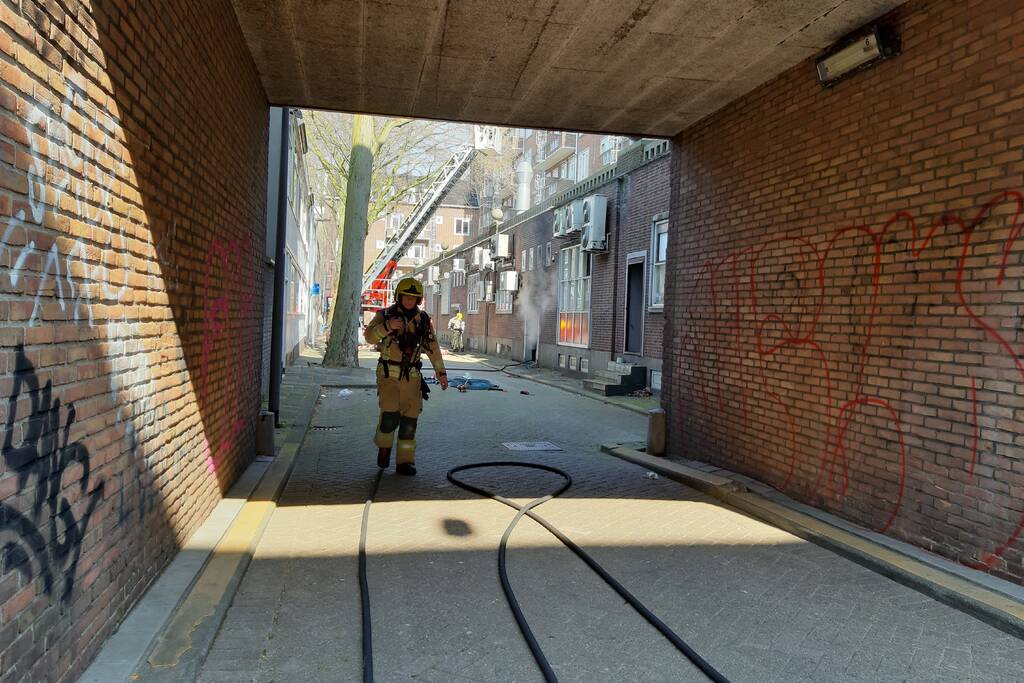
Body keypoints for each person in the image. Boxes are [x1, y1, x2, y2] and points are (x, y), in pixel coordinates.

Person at [363, 278, 448, 475]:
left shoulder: (423, 320)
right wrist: (387, 327)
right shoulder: (385, 315)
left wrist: (441, 373)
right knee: (390, 418)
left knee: (410, 422)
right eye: (406, 297)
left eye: (413, 297)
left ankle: (405, 463)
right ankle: (384, 449)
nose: (409, 301)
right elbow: (369, 337)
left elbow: (433, 348)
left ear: (418, 299)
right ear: (399, 297)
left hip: (412, 378)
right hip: (388, 376)